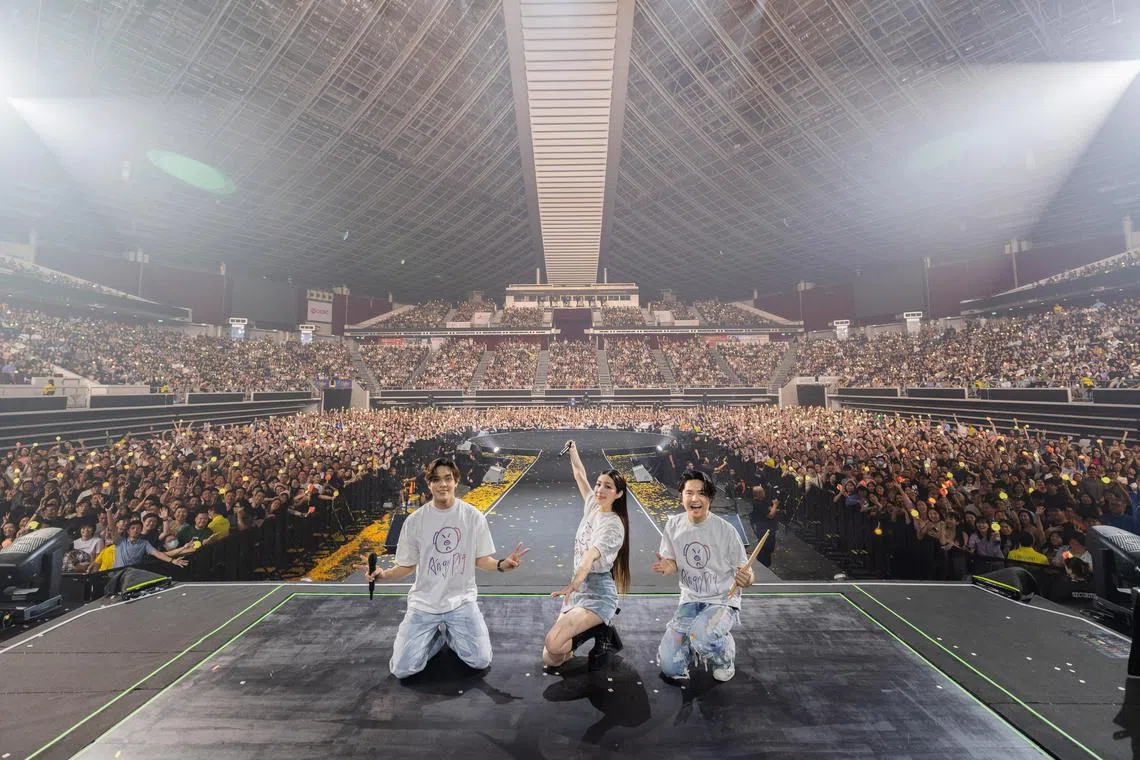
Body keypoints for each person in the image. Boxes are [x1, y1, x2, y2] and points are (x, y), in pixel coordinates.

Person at [364, 458, 530, 679]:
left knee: (480, 661)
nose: (442, 484)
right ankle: (437, 638)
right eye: (436, 480)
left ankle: (451, 635)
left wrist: (501, 565)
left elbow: (481, 560)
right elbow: (406, 566)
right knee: (402, 670)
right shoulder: (415, 521)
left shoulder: (473, 517)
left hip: (461, 603)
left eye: (447, 479)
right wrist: (382, 574)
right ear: (429, 484)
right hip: (424, 604)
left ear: (455, 481)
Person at [652, 470, 753, 683]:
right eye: (689, 493)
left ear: (710, 498)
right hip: (691, 599)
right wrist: (668, 566)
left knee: (702, 638)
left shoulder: (725, 530)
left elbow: (746, 571)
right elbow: (672, 561)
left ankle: (724, 653)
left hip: (722, 600)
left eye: (701, 494)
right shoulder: (673, 525)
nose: (695, 499)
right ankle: (697, 642)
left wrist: (748, 578)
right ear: (681, 496)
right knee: (670, 667)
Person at [544, 440, 630, 670]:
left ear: (619, 494)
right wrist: (574, 452)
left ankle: (603, 629)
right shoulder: (594, 505)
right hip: (579, 589)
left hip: (598, 592)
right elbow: (580, 475)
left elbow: (590, 556)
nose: (600, 490)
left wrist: (575, 583)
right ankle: (596, 628)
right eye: (599, 484)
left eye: (608, 487)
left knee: (554, 643)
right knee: (552, 657)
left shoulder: (613, 525)